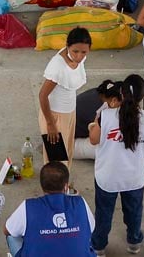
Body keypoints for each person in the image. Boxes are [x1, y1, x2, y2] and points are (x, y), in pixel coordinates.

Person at [88, 75, 144, 255]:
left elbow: (93, 140)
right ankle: (134, 242)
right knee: (134, 212)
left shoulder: (105, 116)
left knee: (103, 213)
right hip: (134, 178)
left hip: (107, 178)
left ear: (121, 93)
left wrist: (93, 127)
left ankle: (98, 247)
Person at [4, 162, 96, 256]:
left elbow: (7, 230)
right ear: (66, 186)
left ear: (42, 185)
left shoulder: (28, 206)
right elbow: (91, 228)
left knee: (12, 236)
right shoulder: (80, 203)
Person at [38, 27, 92, 182]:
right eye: (75, 51)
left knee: (67, 152)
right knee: (56, 159)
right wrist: (51, 124)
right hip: (55, 115)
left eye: (84, 52)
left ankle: (63, 183)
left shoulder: (78, 58)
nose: (79, 56)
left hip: (69, 113)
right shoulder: (57, 67)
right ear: (68, 47)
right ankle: (54, 188)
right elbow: (42, 95)